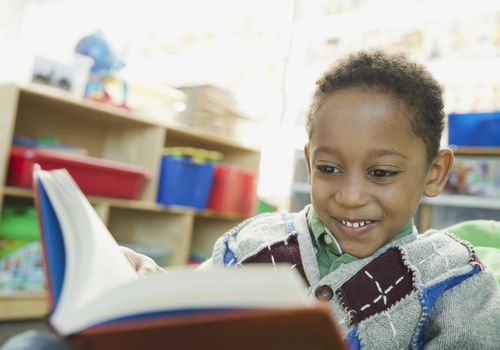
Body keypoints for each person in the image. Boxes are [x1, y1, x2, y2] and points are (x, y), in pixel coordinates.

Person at [3, 49, 500, 349]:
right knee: (36, 343)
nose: (350, 195)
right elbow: (192, 310)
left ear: (435, 173)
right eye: (328, 169)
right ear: (309, 163)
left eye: (381, 173)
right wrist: (140, 285)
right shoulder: (250, 239)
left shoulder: (455, 278)